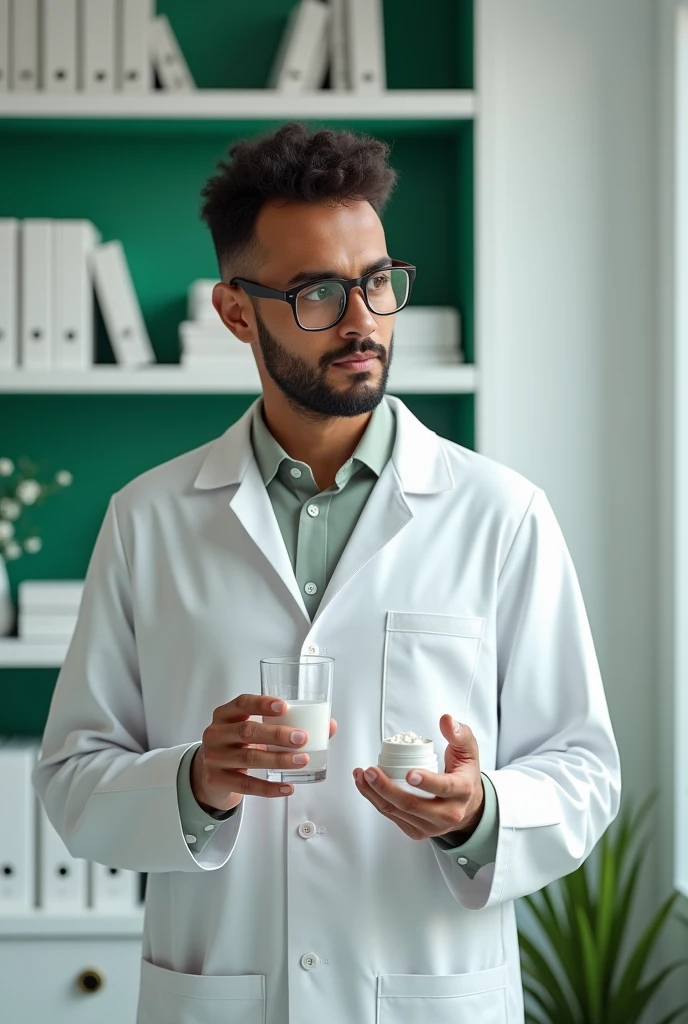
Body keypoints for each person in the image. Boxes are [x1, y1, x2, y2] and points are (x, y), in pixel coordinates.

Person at [33, 121, 621, 1024]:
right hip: (224, 997)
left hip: (429, 997)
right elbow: (73, 780)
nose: (361, 321)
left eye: (377, 283)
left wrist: (479, 812)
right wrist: (194, 783)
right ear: (237, 312)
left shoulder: (501, 515)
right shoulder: (148, 520)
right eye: (317, 292)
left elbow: (583, 770)